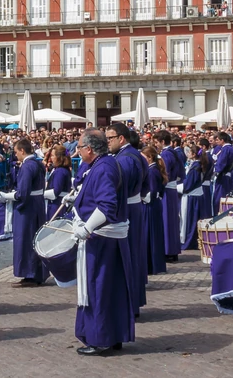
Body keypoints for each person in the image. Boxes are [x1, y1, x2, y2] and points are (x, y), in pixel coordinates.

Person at [72, 129, 134, 355]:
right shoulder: (104, 164)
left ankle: (100, 339)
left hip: (101, 239)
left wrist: (87, 228)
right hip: (108, 239)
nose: (78, 151)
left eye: (79, 147)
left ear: (89, 149)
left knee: (98, 289)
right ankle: (113, 335)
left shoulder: (104, 168)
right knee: (111, 289)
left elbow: (106, 205)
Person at [0, 138, 46, 287]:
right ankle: (37, 273)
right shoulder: (37, 163)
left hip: (28, 209)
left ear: (22, 151)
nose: (15, 155)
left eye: (16, 152)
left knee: (25, 240)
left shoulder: (27, 166)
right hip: (37, 205)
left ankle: (30, 274)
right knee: (35, 239)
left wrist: (8, 197)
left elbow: (23, 192)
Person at [107, 124, 146, 317]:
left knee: (127, 256)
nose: (107, 142)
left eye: (110, 138)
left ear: (121, 138)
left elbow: (119, 188)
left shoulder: (125, 159)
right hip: (133, 207)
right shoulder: (134, 155)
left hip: (126, 210)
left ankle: (128, 305)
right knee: (132, 255)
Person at [155, 130, 183, 262]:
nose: (156, 145)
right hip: (172, 188)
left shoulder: (165, 154)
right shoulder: (175, 153)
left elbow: (164, 173)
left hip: (166, 189)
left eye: (157, 142)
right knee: (172, 221)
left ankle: (168, 250)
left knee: (166, 220)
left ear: (162, 141)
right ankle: (173, 249)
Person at [142, 145, 167, 276]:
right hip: (155, 204)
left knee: (149, 234)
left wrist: (141, 196)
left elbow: (151, 192)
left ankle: (151, 264)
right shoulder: (155, 169)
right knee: (154, 234)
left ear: (150, 158)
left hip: (150, 205)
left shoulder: (151, 171)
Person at [179, 141, 209, 250]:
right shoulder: (197, 164)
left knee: (191, 220)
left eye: (189, 152)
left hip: (192, 197)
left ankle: (189, 241)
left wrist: (177, 188)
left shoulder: (196, 166)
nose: (187, 153)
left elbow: (189, 184)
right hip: (195, 195)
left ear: (194, 154)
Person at [212, 132, 233, 214]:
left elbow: (221, 163)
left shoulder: (225, 149)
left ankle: (218, 214)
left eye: (218, 140)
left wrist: (215, 171)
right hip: (230, 174)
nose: (216, 142)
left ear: (222, 140)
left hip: (223, 175)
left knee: (220, 197)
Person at [43, 145, 73, 220]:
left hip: (57, 206)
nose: (51, 158)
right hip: (59, 204)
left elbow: (55, 192)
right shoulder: (63, 170)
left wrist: (40, 194)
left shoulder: (60, 171)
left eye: (53, 156)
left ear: (59, 157)